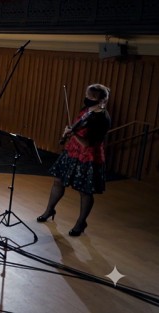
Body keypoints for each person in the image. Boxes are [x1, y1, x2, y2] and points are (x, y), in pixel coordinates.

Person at [37, 84, 112, 236]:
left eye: (92, 98)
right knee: (58, 180)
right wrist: (70, 132)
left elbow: (88, 143)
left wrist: (73, 134)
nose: (88, 99)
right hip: (72, 151)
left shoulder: (103, 118)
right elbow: (76, 127)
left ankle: (81, 222)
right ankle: (49, 210)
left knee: (85, 191)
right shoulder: (85, 110)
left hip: (88, 155)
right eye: (88, 96)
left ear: (102, 100)